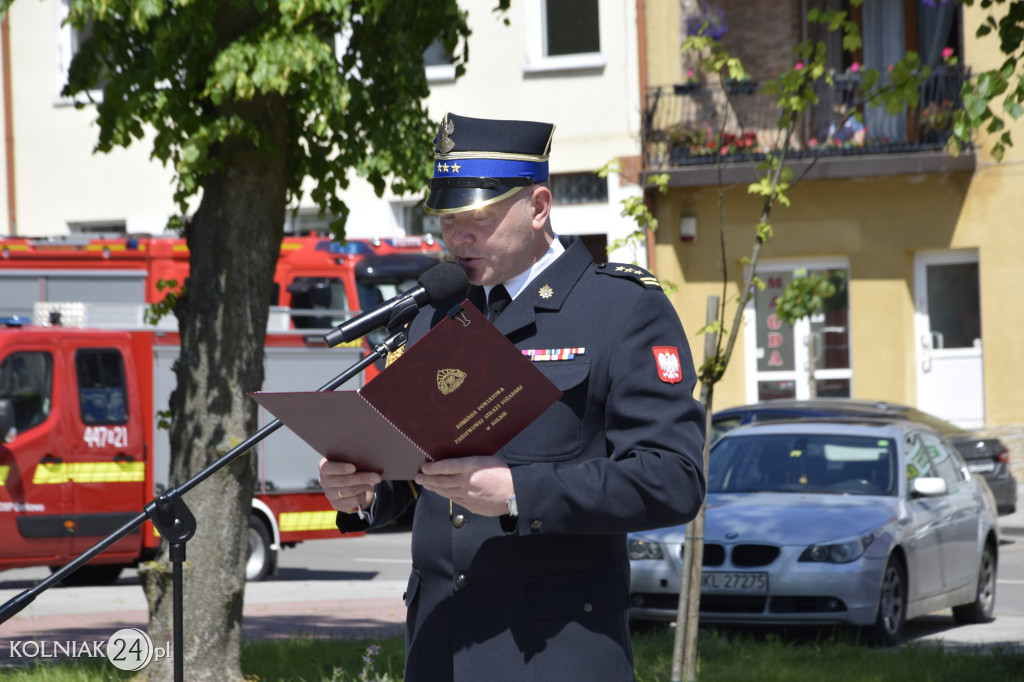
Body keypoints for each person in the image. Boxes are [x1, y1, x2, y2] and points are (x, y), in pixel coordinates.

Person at [319, 112, 706, 681]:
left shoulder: (620, 311)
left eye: (478, 218)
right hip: (438, 649)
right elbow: (415, 471)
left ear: (539, 207)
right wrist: (361, 489)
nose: (458, 238)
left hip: (553, 653)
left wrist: (520, 491)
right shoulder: (437, 312)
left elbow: (672, 479)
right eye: (448, 220)